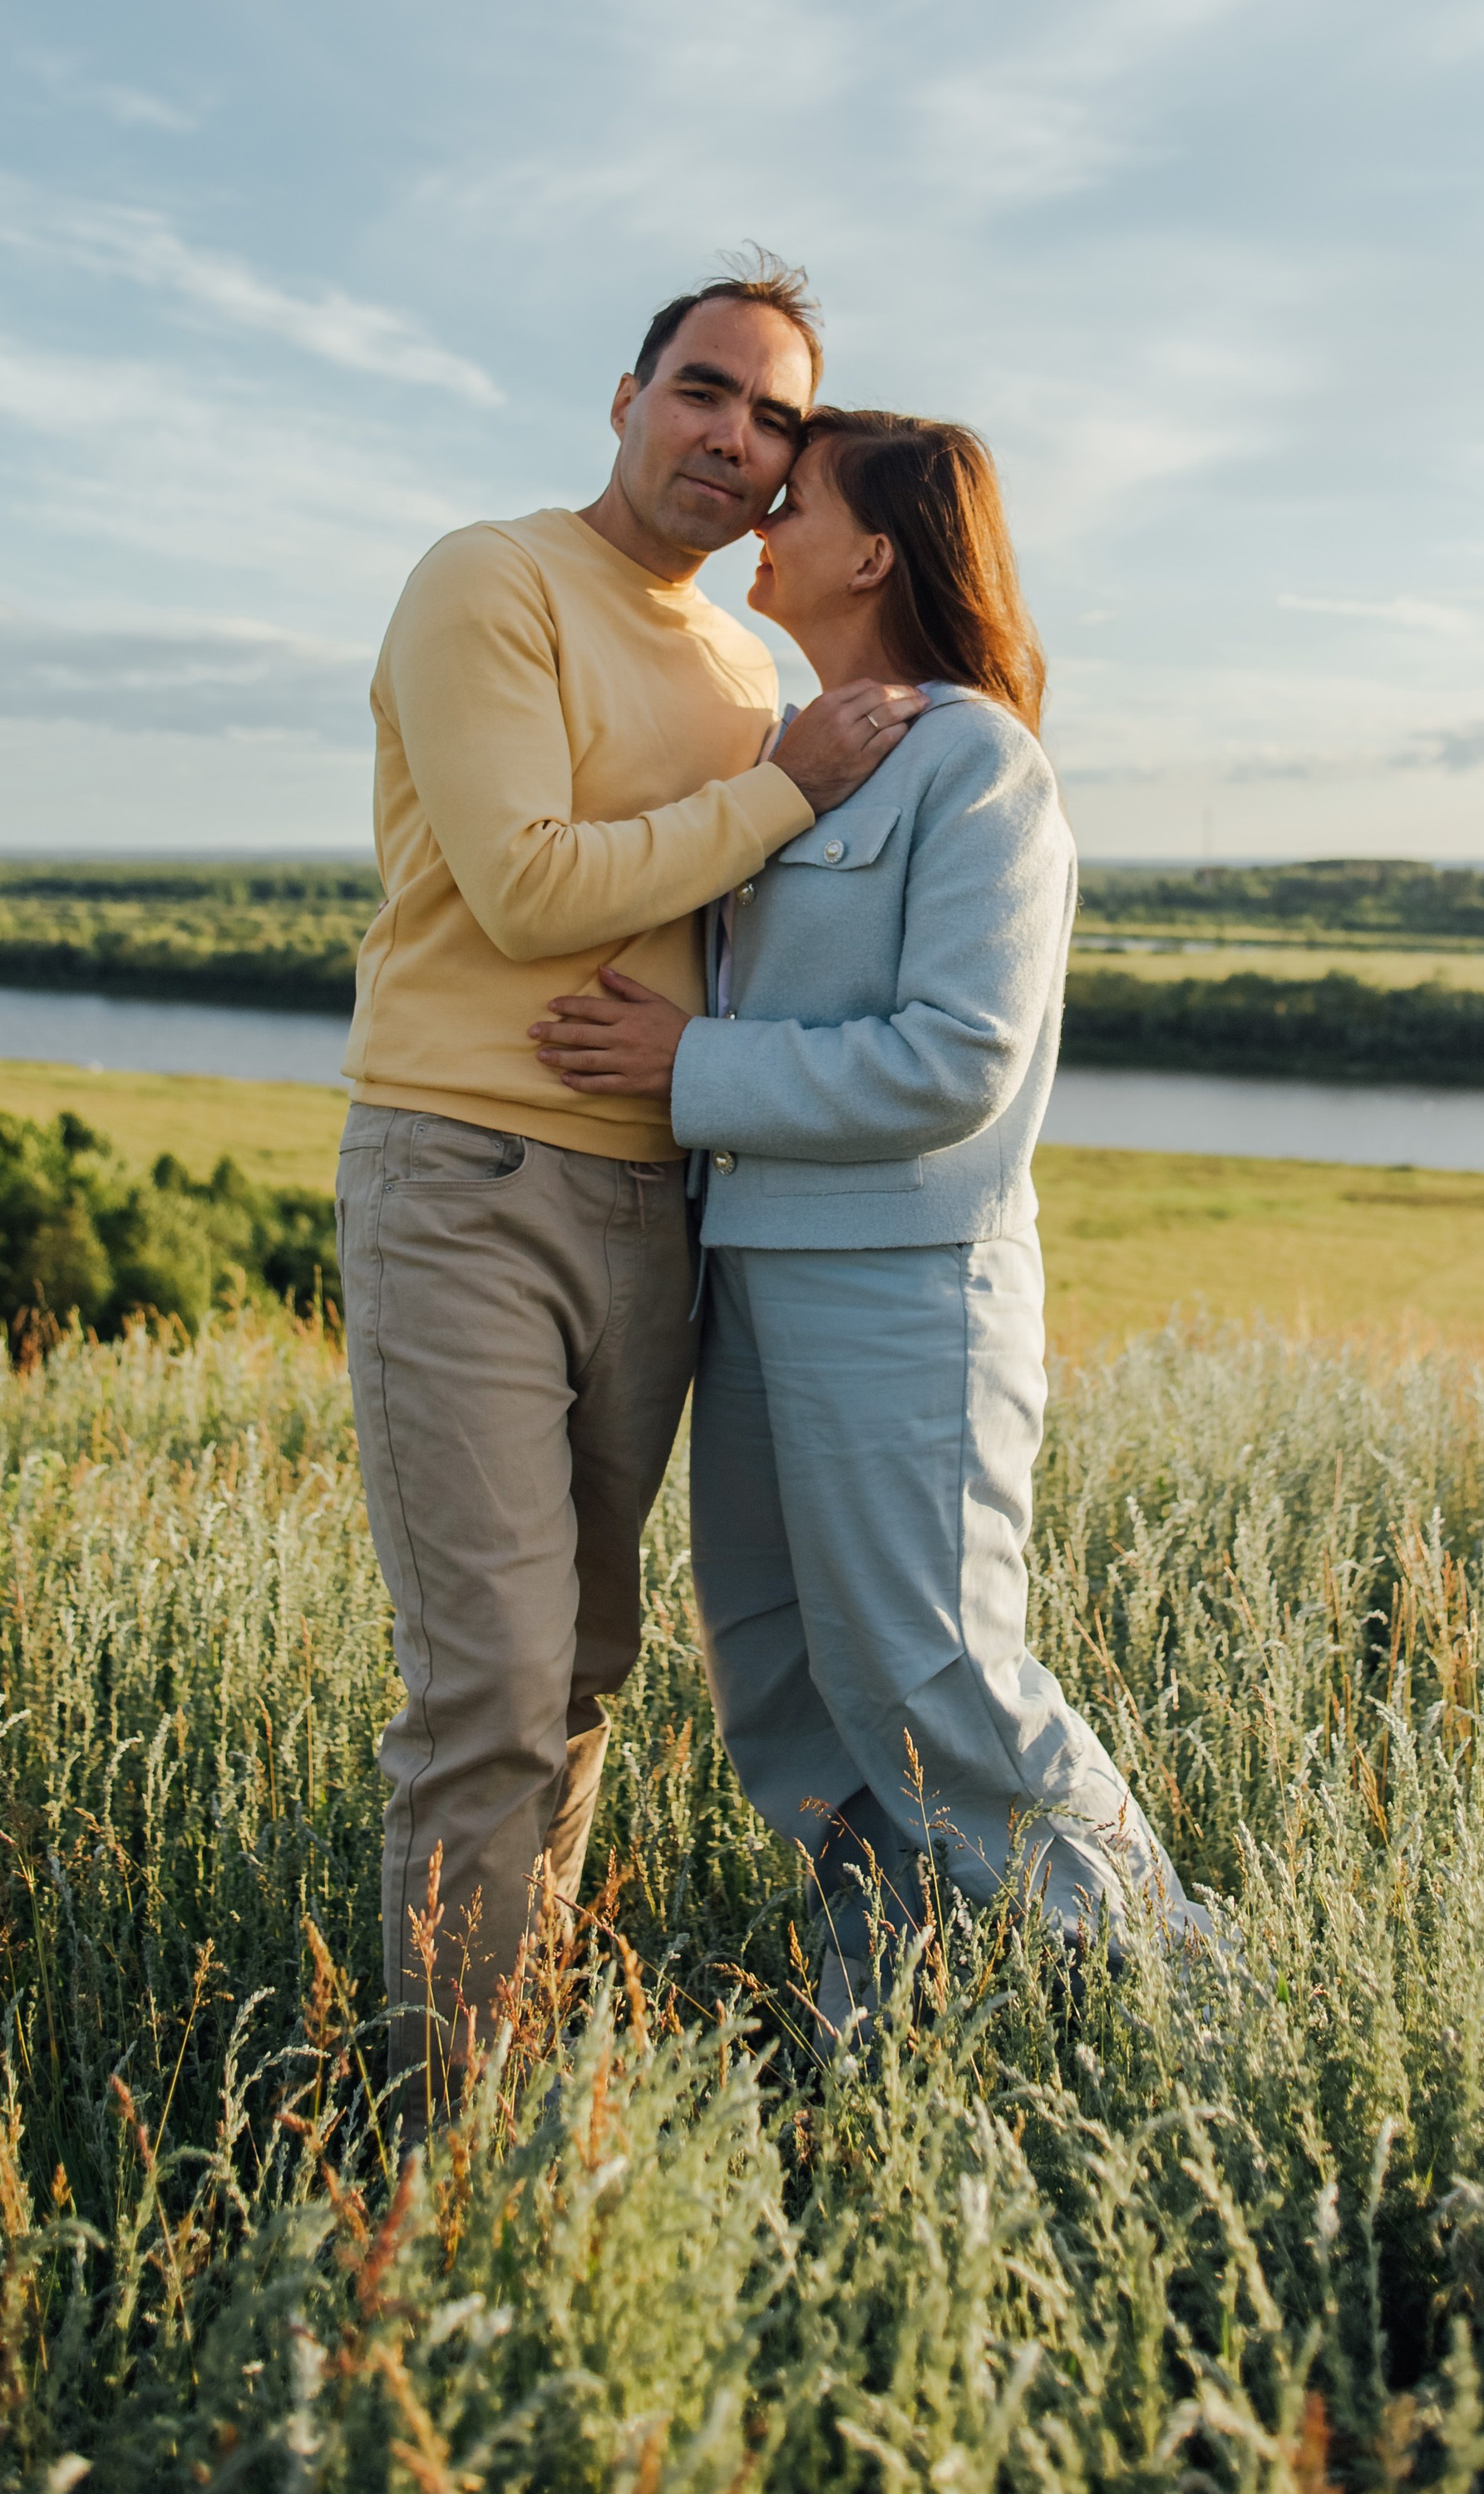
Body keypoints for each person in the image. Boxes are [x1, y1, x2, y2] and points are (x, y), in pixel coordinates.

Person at [530, 407, 1209, 2042]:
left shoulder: (977, 764)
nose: (760, 509)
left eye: (798, 494)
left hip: (904, 1301)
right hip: (752, 1288)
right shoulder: (802, 753)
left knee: (933, 1676)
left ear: (874, 549)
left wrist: (691, 1064)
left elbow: (958, 1059)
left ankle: (1172, 2005)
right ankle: (891, 2012)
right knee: (779, 1682)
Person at [336, 259, 925, 2139]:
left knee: (582, 1672)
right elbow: (518, 887)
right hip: (465, 1175)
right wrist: (778, 792)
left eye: (768, 420)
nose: (732, 438)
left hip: (657, 1205)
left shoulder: (745, 666)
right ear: (623, 396)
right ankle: (445, 2149)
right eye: (701, 391)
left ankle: (511, 2073)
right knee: (490, 1684)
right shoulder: (488, 580)